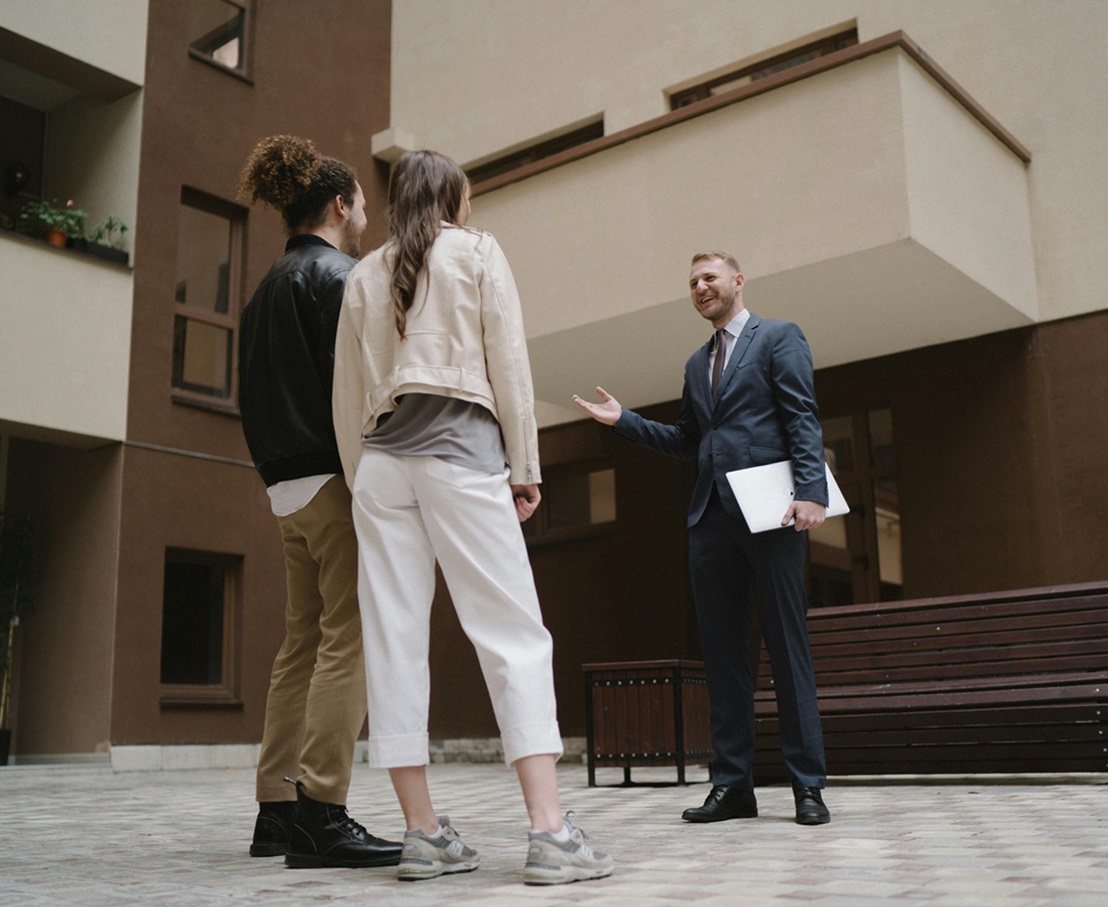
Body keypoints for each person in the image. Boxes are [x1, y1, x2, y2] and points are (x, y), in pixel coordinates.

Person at [332, 149, 613, 885]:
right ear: (453, 197)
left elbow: (346, 394)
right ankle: (550, 832)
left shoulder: (363, 274)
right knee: (512, 632)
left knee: (392, 641)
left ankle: (422, 834)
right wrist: (525, 466)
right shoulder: (477, 251)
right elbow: (508, 363)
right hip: (460, 453)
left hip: (381, 464)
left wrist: (363, 484)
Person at [573, 251, 832, 826]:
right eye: (692, 282)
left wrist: (812, 490)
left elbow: (802, 415)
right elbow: (690, 440)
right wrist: (625, 421)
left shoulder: (779, 336)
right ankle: (733, 785)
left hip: (773, 515)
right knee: (722, 657)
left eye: (709, 277)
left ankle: (807, 786)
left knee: (787, 650)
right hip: (710, 522)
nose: (700, 287)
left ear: (737, 281)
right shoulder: (697, 362)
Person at [237, 135, 402, 868]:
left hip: (283, 486)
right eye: (362, 204)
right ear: (340, 204)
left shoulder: (262, 292)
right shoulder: (341, 276)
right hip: (334, 480)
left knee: (301, 641)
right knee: (350, 636)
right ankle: (322, 811)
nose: (367, 215)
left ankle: (276, 811)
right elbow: (365, 385)